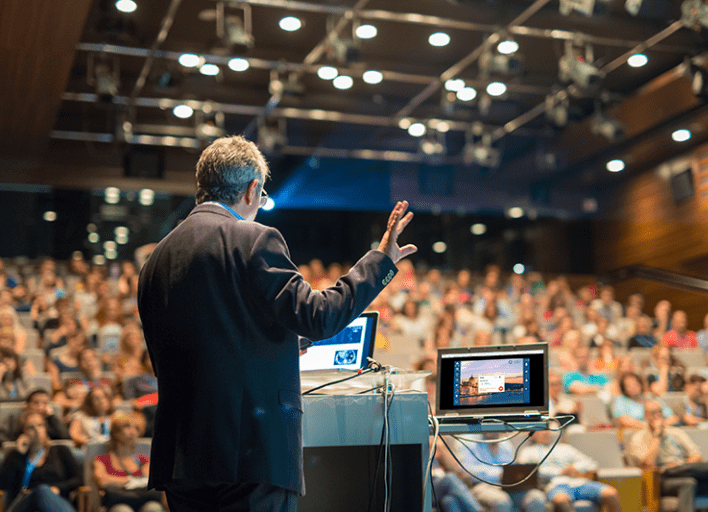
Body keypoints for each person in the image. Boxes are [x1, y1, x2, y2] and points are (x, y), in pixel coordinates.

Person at [137, 135, 416, 511]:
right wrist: (380, 260)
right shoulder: (252, 238)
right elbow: (320, 316)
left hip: (182, 458)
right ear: (252, 189)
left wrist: (280, 343)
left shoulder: (157, 259)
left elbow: (195, 350)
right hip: (250, 454)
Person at [625, 400, 708, 512]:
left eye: (660, 411)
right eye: (653, 412)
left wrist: (681, 464)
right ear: (646, 416)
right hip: (661, 480)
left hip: (684, 472)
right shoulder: (638, 437)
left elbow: (697, 456)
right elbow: (648, 464)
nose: (658, 415)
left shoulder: (676, 432)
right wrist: (657, 435)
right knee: (688, 483)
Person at [517, 429, 622, 512]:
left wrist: (575, 468)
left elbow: (591, 463)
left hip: (579, 483)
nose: (545, 433)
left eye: (547, 430)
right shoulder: (528, 451)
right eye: (540, 430)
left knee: (611, 493)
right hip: (555, 485)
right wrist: (559, 472)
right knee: (561, 500)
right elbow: (526, 471)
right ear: (532, 434)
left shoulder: (564, 448)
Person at [0, 410, 81, 511]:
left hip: (54, 502)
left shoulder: (60, 451)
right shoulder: (16, 455)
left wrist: (57, 488)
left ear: (45, 428)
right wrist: (18, 454)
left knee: (44, 491)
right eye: (31, 427)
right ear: (23, 432)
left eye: (40, 425)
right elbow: (3, 485)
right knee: (41, 490)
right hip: (25, 504)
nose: (37, 430)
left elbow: (78, 479)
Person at [93, 413, 164, 512]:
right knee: (123, 510)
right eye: (127, 427)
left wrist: (117, 481)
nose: (133, 432)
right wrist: (130, 480)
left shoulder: (143, 460)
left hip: (143, 500)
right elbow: (102, 480)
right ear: (116, 432)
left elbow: (150, 481)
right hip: (118, 501)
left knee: (154, 508)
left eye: (137, 429)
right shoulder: (102, 460)